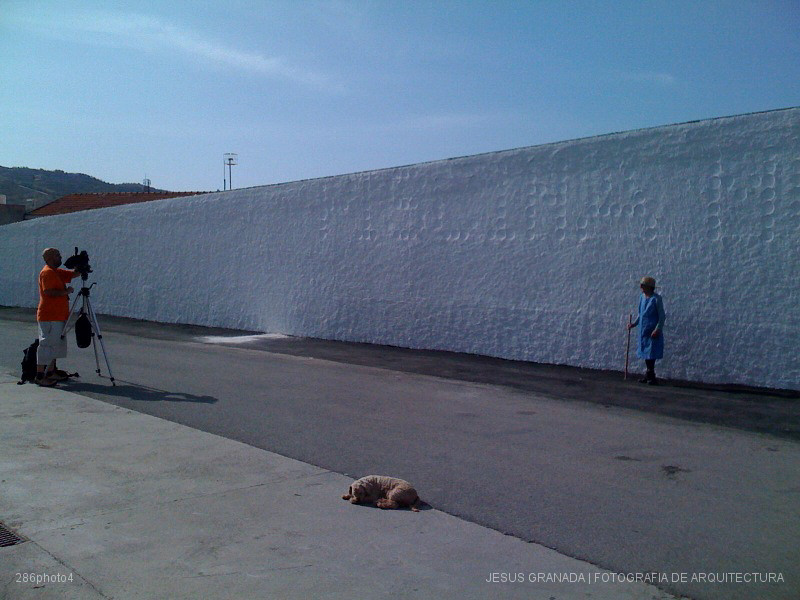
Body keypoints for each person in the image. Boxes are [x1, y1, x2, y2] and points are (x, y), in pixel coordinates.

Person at [35, 248, 79, 387]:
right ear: (49, 258)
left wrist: (80, 264)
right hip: (49, 316)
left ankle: (50, 371)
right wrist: (66, 291)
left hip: (58, 316)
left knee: (55, 344)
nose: (60, 258)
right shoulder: (47, 272)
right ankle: (40, 375)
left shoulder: (56, 272)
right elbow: (48, 291)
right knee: (46, 344)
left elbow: (73, 275)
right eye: (57, 255)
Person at [627, 276, 666, 385]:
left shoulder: (656, 299)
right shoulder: (642, 297)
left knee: (651, 353)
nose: (641, 287)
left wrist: (657, 329)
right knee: (645, 353)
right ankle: (648, 375)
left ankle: (651, 375)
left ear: (649, 287)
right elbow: (641, 314)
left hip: (652, 330)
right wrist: (634, 324)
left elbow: (662, 316)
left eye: (643, 285)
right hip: (643, 331)